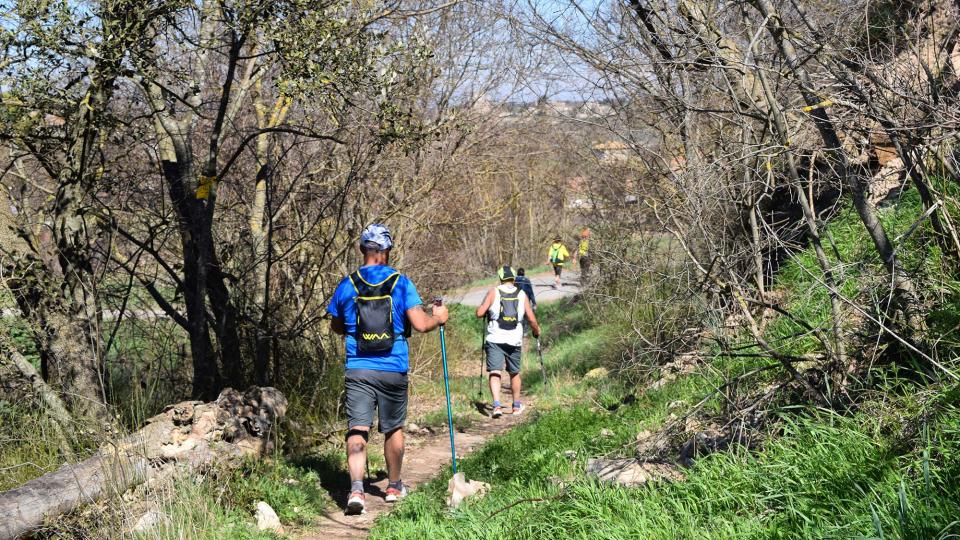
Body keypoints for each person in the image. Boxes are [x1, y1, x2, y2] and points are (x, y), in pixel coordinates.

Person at [327, 223, 449, 515]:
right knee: (393, 427)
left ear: (362, 250)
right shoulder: (401, 283)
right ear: (388, 250)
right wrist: (439, 318)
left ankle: (356, 490)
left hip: (358, 367)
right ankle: (393, 486)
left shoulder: (348, 284)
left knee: (357, 429)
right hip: (393, 366)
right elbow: (420, 325)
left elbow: (335, 325)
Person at [475, 266, 540, 418]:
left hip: (495, 338)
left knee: (495, 371)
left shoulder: (493, 292)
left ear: (500, 278)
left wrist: (482, 308)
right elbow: (531, 318)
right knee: (514, 373)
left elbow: (479, 313)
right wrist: (536, 331)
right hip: (514, 339)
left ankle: (496, 406)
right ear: (513, 278)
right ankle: (516, 406)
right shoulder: (522, 294)